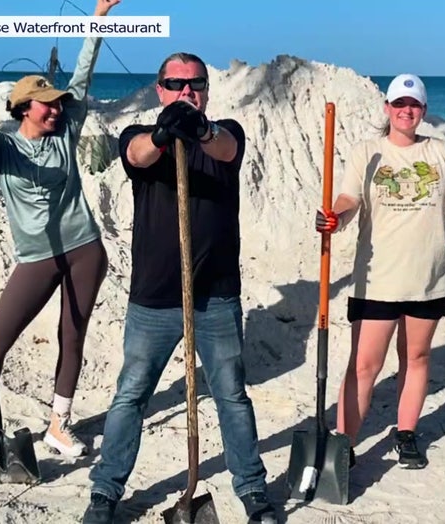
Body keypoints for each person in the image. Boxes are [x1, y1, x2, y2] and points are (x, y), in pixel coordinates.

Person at [82, 52, 278, 524]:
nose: (186, 90)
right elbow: (135, 154)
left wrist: (201, 132)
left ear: (207, 91)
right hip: (155, 298)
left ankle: (252, 489)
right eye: (176, 83)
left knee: (231, 394)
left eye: (196, 84)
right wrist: (164, 134)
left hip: (217, 297)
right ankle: (105, 492)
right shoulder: (139, 136)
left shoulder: (225, 133)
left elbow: (228, 149)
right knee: (132, 393)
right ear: (159, 90)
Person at [0, 0, 118, 472]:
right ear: (23, 108)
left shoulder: (67, 131)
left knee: (72, 337)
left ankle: (59, 424)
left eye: (56, 104)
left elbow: (82, 75)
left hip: (84, 250)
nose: (55, 110)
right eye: (46, 105)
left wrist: (98, 19)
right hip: (37, 257)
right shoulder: (3, 149)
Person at [315, 74, 445, 469]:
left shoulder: (441, 152)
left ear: (423, 111)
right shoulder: (367, 151)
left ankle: (405, 433)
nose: (406, 111)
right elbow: (349, 197)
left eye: (413, 105)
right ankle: (345, 443)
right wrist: (337, 217)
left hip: (428, 277)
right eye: (399, 103)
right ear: (387, 108)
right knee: (364, 364)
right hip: (377, 279)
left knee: (415, 357)